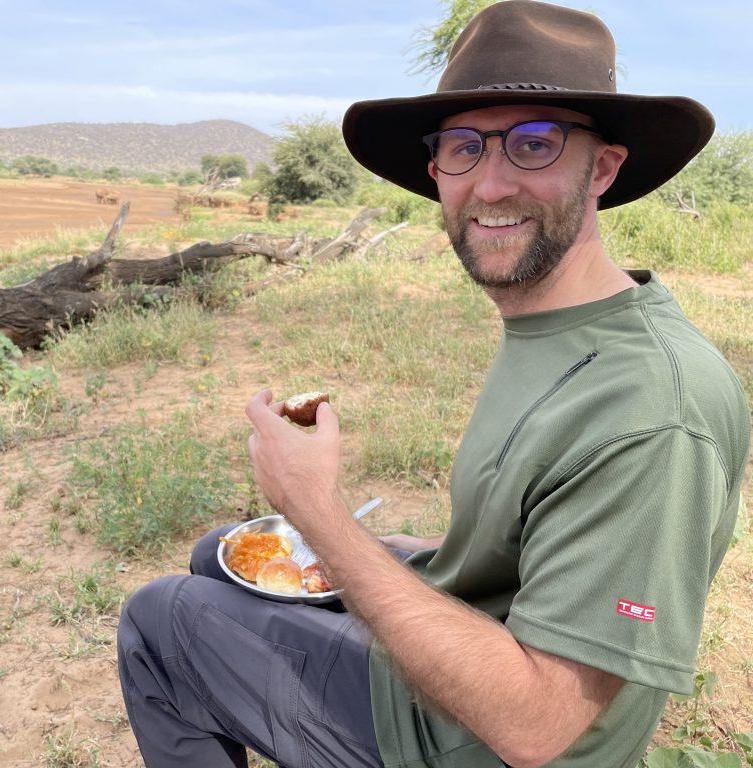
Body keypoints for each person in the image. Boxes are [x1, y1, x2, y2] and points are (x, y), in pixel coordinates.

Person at [117, 2, 751, 766]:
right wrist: (398, 550)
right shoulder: (561, 326)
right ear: (435, 170)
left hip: (462, 742)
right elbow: (529, 546)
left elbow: (537, 729)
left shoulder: (651, 409)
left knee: (160, 618)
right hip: (475, 683)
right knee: (221, 551)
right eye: (464, 147)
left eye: (533, 144)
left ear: (604, 167)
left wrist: (318, 510)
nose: (489, 185)